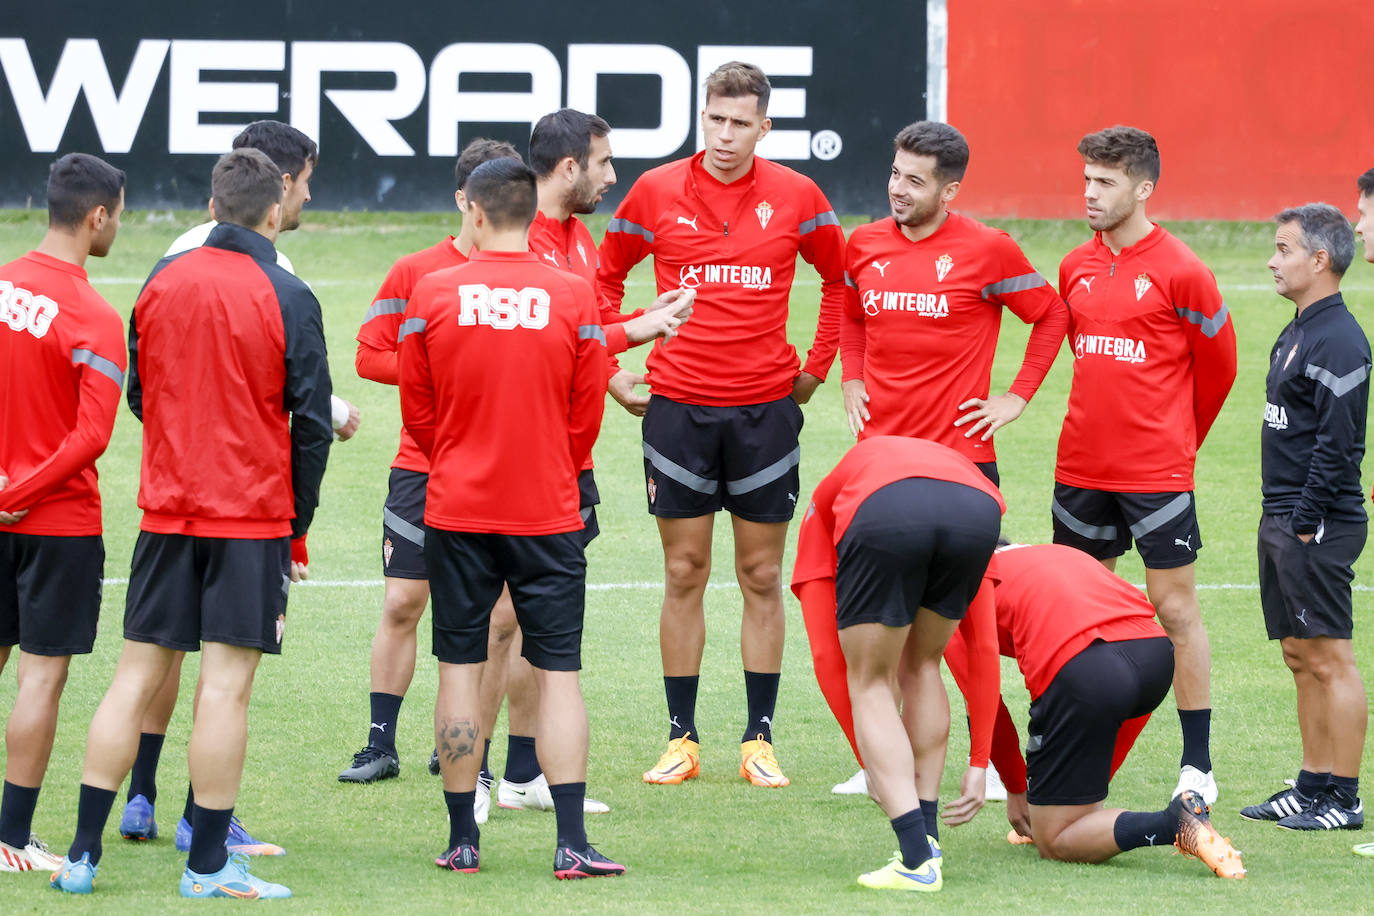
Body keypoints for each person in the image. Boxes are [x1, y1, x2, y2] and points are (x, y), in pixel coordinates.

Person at [51, 147, 333, 898]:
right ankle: (206, 865)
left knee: (131, 679)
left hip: (167, 512)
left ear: (212, 206)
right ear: (275, 211)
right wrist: (295, 519)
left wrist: (183, 442)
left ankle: (81, 857)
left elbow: (141, 392)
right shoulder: (288, 293)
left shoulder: (162, 280)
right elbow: (310, 423)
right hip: (249, 521)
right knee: (223, 691)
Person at [599, 61, 846, 788]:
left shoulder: (799, 196)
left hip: (766, 411)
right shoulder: (655, 191)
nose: (726, 135)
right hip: (677, 409)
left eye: (741, 123)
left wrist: (817, 367)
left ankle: (758, 739)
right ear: (700, 117)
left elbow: (840, 278)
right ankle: (681, 738)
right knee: (684, 571)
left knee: (762, 573)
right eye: (716, 119)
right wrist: (613, 369)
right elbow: (601, 281)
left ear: (764, 127)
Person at [118, 119, 352, 855]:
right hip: (239, 500)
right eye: (308, 180)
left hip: (174, 492)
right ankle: (201, 817)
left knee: (161, 649)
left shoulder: (174, 256)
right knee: (222, 666)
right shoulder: (273, 274)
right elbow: (285, 393)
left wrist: (177, 447)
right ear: (280, 188)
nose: (312, 193)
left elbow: (153, 381)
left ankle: (140, 798)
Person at [398, 157, 622, 878]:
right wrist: (553, 464)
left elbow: (418, 411)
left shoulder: (432, 293)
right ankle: (570, 844)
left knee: (459, 670)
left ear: (476, 212)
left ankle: (463, 840)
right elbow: (586, 411)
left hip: (457, 507)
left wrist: (459, 457)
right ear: (531, 215)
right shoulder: (573, 294)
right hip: (547, 510)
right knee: (558, 674)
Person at [832, 118, 1068, 800]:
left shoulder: (987, 250)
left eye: (915, 180)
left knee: (963, 640)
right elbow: (851, 308)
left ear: (951, 188)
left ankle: (989, 764)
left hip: (963, 470)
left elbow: (1050, 314)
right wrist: (852, 376)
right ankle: (890, 757)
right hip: (880, 474)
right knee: (886, 638)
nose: (898, 190)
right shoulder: (865, 244)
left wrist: (1016, 397)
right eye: (895, 174)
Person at [1052, 126, 1236, 803]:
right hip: (1078, 468)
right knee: (1073, 616)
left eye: (1104, 182)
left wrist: (1179, 443)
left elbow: (1219, 370)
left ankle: (1197, 765)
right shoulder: (1074, 265)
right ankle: (1070, 762)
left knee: (1174, 610)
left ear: (1143, 188)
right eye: (1087, 179)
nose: (1089, 193)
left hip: (1157, 474)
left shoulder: (1184, 269)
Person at [341, 139, 526, 797]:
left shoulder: (532, 275)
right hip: (423, 464)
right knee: (402, 600)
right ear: (463, 202)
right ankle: (379, 743)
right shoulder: (415, 272)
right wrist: (435, 370)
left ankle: (466, 746)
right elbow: (368, 356)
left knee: (498, 618)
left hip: (503, 470)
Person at [790, 436, 1004, 891]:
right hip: (980, 505)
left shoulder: (828, 502)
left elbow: (829, 656)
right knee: (923, 664)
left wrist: (870, 763)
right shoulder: (939, 469)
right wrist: (980, 760)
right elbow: (982, 645)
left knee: (870, 681)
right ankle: (928, 840)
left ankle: (915, 859)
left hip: (886, 508)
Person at [0, 153, 126, 874]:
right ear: (97, 216)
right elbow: (91, 437)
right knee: (40, 680)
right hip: (56, 523)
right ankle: (12, 836)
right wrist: (20, 492)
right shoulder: (92, 315)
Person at [971, 544, 1243, 877]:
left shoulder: (960, 587)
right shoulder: (1050, 553)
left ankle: (1175, 821)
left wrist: (1015, 789)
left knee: (1054, 840)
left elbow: (984, 702)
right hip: (1155, 656)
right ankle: (1076, 812)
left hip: (1088, 672)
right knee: (1070, 812)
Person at [1244, 203, 1368, 832]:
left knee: (1330, 657)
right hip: (1284, 514)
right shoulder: (1298, 328)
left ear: (1319, 260)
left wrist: (1302, 519)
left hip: (1314, 521)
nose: (1272, 259)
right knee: (1298, 653)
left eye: (1284, 248)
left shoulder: (1341, 338)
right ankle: (1313, 784)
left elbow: (1340, 447)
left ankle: (1343, 799)